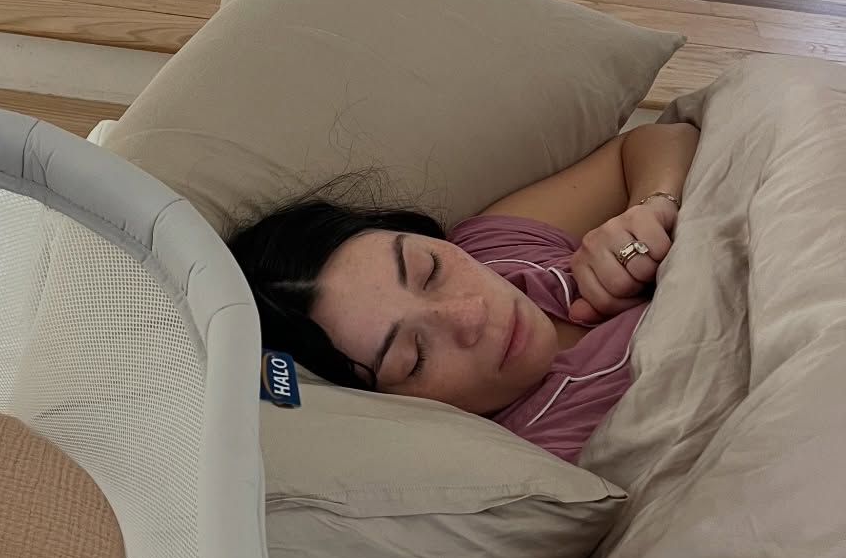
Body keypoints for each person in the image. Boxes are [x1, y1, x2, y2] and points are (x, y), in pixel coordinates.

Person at [229, 121, 701, 463]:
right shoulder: (540, 457)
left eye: (429, 269)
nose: (471, 313)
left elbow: (660, 140)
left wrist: (650, 208)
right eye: (413, 358)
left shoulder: (493, 249)